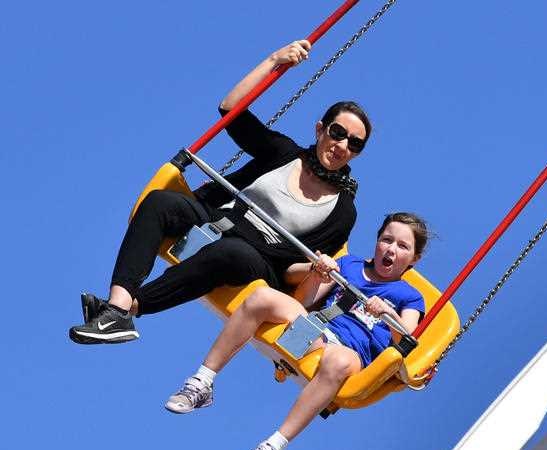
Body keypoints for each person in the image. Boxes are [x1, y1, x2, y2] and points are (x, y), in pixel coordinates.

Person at [69, 39, 371, 344]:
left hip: (259, 258)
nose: (342, 146)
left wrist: (313, 269)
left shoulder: (342, 211)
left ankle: (133, 309)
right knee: (160, 201)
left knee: (230, 252)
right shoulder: (284, 153)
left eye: (354, 144)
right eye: (338, 133)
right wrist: (274, 60)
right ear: (320, 129)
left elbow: (292, 271)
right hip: (218, 216)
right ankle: (117, 305)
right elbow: (230, 110)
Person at [164, 213, 430, 450]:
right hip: (317, 333)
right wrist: (317, 274)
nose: (391, 249)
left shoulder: (409, 297)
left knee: (338, 361)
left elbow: (405, 341)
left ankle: (275, 443)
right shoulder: (349, 265)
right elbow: (302, 302)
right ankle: (201, 382)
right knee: (262, 297)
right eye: (387, 239)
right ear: (377, 240)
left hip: (349, 353)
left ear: (414, 259)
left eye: (402, 246)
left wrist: (387, 313)